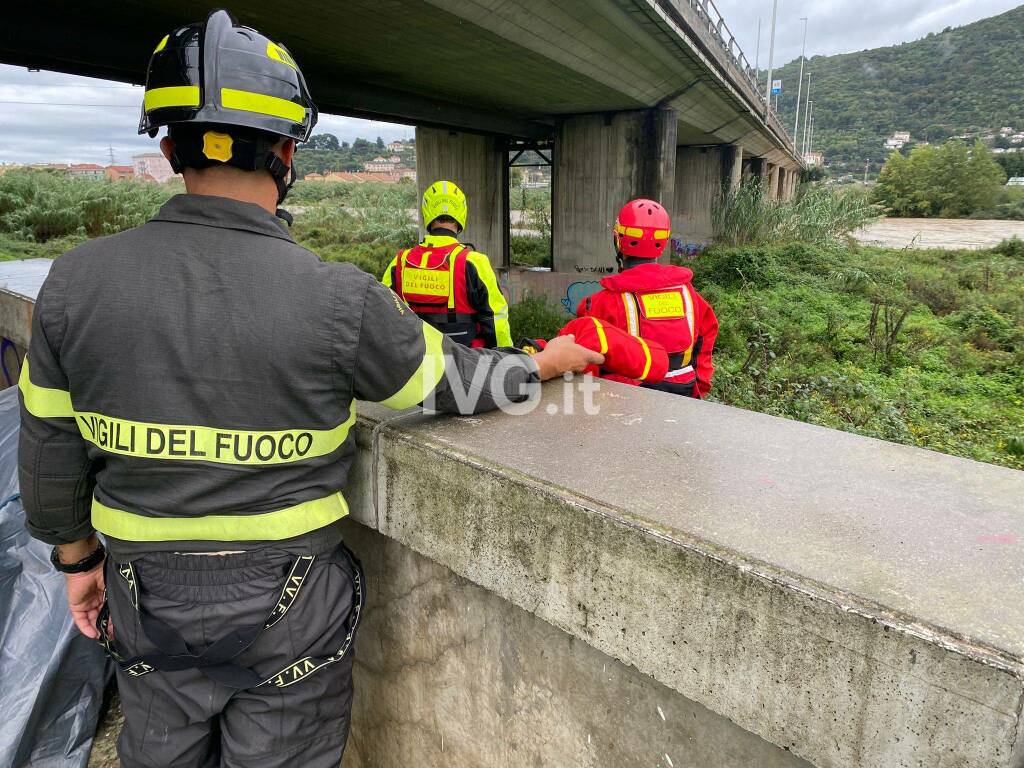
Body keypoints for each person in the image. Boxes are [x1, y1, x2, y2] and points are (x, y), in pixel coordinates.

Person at [16, 11, 600, 768]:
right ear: (288, 153)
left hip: (142, 590)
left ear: (167, 149)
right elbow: (453, 382)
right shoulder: (338, 299)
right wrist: (545, 363)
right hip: (290, 601)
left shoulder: (75, 285)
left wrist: (77, 562)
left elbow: (49, 449)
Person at [577, 199, 718, 398]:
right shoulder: (691, 297)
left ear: (618, 240)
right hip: (684, 396)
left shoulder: (601, 303)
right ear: (663, 242)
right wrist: (698, 393)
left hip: (624, 402)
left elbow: (586, 362)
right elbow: (706, 342)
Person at [382, 181, 512, 348]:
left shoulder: (399, 263)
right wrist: (507, 360)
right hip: (466, 367)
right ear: (461, 214)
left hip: (415, 366)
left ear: (426, 214)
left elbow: (383, 316)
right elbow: (496, 321)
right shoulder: (474, 262)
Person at [520, 316, 669, 387]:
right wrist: (548, 361)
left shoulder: (605, 299)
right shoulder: (687, 293)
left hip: (616, 386)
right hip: (679, 380)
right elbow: (659, 363)